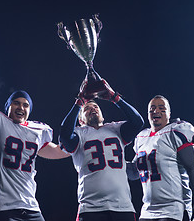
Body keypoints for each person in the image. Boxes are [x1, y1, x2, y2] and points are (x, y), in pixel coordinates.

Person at [0, 60, 69, 221]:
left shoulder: (38, 130)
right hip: (3, 207)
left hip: (31, 206)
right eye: (16, 103)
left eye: (25, 105)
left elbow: (58, 151)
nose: (21, 107)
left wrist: (81, 141)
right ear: (8, 107)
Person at [59, 79, 144, 221]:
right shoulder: (79, 133)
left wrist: (115, 98)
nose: (92, 109)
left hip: (122, 207)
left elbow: (138, 122)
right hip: (91, 208)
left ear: (103, 115)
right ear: (80, 120)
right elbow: (65, 136)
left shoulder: (115, 129)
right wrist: (79, 103)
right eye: (87, 108)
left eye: (96, 107)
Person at [127, 95, 194, 221]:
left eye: (161, 108)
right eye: (152, 109)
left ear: (169, 113)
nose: (156, 111)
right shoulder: (141, 137)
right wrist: (114, 160)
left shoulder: (176, 131)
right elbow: (134, 173)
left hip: (174, 209)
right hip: (147, 210)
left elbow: (193, 168)